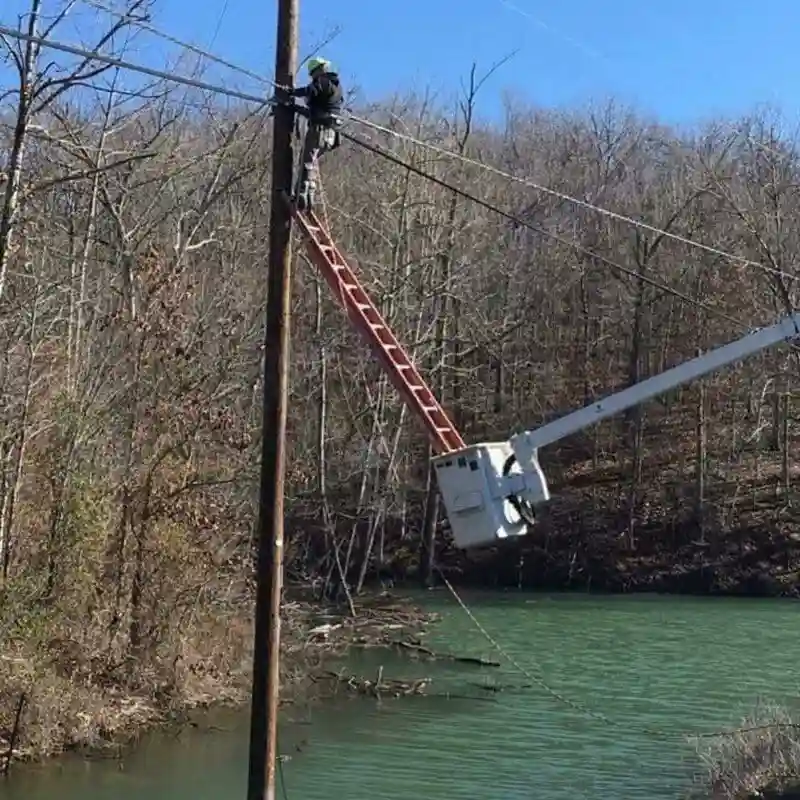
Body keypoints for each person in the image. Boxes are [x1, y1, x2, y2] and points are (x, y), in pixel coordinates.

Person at [289, 57, 343, 211]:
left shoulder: (323, 82)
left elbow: (311, 90)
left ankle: (302, 196)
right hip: (331, 134)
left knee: (306, 162)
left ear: (318, 70)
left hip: (320, 130)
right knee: (311, 163)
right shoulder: (335, 86)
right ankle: (309, 197)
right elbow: (318, 111)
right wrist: (296, 109)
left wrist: (292, 93)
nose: (313, 78)